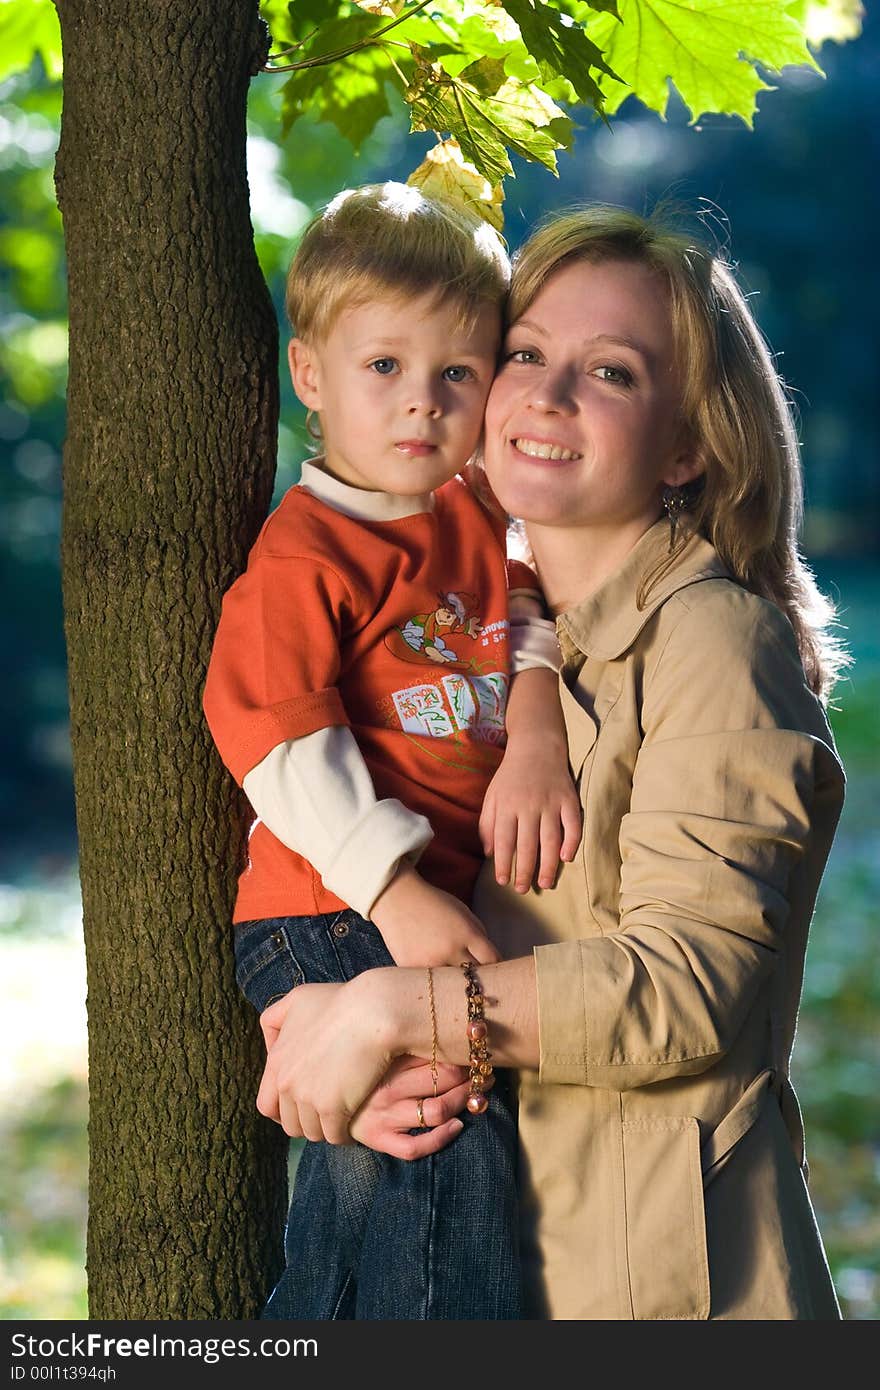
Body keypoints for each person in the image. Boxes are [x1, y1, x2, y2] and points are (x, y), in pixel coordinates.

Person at [254, 204, 849, 1320]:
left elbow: (687, 988)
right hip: (497, 1235)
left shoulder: (714, 636)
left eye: (610, 371)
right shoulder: (456, 622)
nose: (545, 394)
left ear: (686, 443)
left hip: (656, 1280)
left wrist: (391, 1015)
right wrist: (334, 1038)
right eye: (524, 353)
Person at [202, 182, 581, 1320]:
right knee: (434, 1169)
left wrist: (539, 722)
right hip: (329, 904)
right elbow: (272, 734)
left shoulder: (474, 512)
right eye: (383, 369)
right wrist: (395, 887)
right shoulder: (305, 553)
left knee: (418, 1177)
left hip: (416, 908)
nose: (422, 405)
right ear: (310, 375)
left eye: (456, 374)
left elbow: (530, 606)